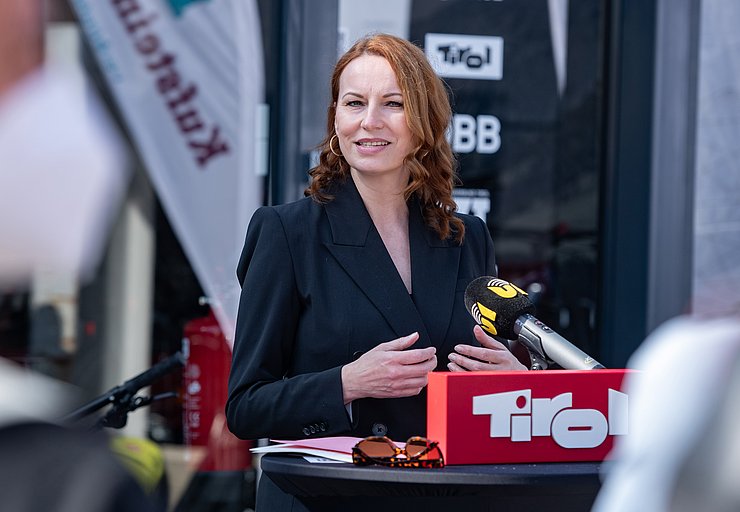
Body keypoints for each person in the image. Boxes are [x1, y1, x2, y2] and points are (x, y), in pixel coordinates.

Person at [226, 32, 526, 509]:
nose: (369, 122)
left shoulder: (468, 237)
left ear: (424, 121)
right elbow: (245, 406)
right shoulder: (287, 232)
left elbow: (476, 383)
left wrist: (513, 384)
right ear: (335, 119)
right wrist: (349, 383)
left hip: (439, 497)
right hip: (326, 500)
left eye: (392, 103)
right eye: (353, 103)